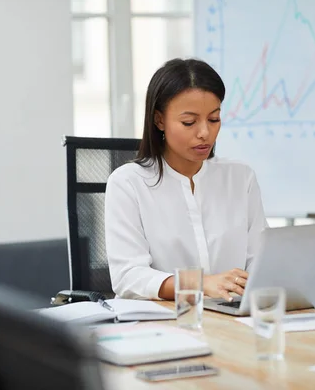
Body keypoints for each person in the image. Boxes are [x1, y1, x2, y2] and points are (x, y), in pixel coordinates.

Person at [104, 58, 267, 301]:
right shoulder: (128, 183)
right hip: (160, 323)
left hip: (232, 319)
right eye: (189, 122)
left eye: (214, 119)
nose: (205, 133)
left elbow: (261, 261)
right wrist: (199, 284)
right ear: (159, 120)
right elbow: (127, 276)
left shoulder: (241, 177)